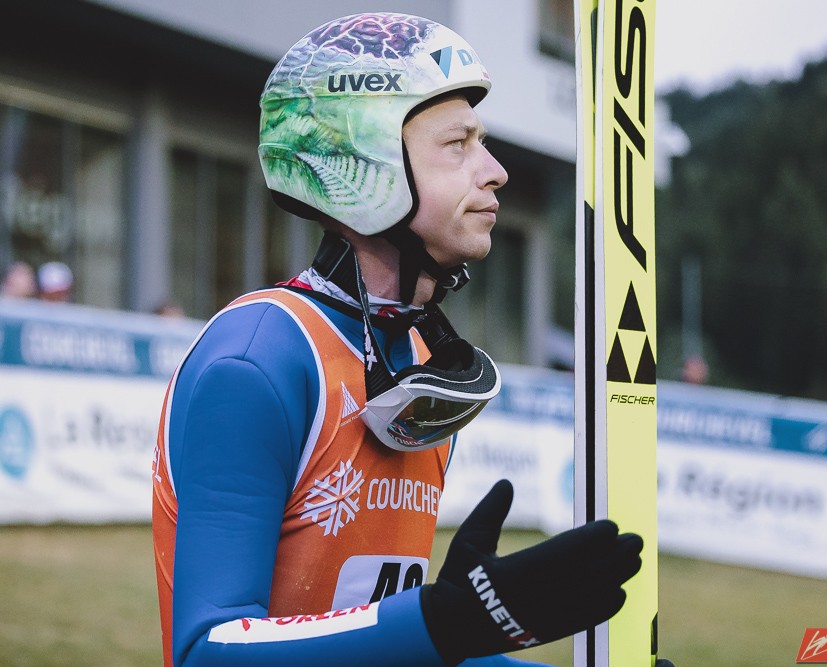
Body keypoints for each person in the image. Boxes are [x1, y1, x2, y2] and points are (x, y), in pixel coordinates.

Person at [152, 13, 666, 667]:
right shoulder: (259, 361)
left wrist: (461, 629)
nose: (495, 171)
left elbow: (378, 643)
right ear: (364, 164)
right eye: (458, 145)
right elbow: (205, 651)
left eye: (483, 143)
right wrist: (446, 621)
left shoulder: (420, 364)